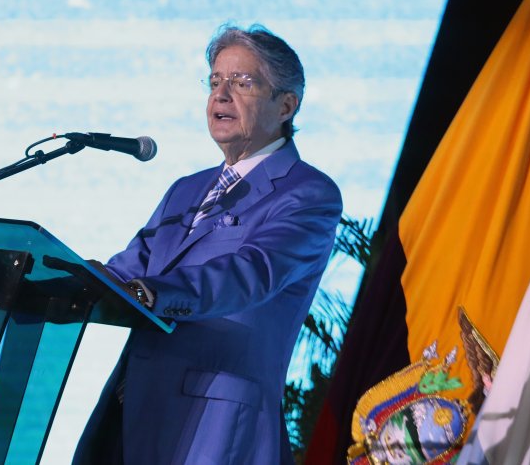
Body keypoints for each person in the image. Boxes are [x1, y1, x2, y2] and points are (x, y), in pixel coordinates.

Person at [74, 24, 342, 464]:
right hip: (129, 412)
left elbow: (252, 272)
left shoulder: (308, 193)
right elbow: (129, 269)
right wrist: (59, 278)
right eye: (216, 80)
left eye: (243, 82)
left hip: (212, 424)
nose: (221, 95)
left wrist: (155, 292)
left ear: (286, 106)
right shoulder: (186, 189)